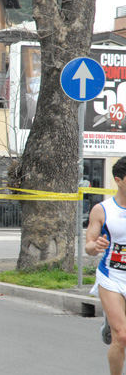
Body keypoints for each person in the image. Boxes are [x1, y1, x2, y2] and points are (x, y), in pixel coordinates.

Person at [86, 156, 126, 374]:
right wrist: (96, 245)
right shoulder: (102, 210)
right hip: (112, 277)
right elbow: (89, 246)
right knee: (121, 336)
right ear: (118, 180)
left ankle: (110, 321)